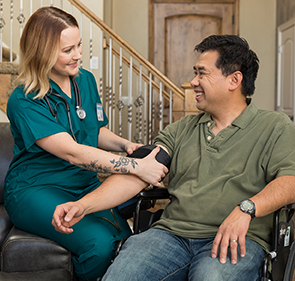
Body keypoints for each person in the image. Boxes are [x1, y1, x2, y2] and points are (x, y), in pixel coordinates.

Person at [52, 34, 295, 280]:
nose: (193, 82)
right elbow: (138, 174)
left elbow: (291, 180)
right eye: (195, 73)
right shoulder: (181, 128)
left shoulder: (274, 126)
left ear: (234, 80)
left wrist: (246, 209)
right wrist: (84, 205)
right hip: (170, 236)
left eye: (202, 74)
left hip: (235, 239)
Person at [4, 6, 168, 281]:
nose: (78, 55)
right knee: (99, 245)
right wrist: (136, 166)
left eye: (79, 45)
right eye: (68, 50)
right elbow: (73, 151)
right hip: (36, 188)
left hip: (83, 182)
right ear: (42, 52)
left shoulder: (85, 80)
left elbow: (94, 129)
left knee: (126, 241)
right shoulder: (24, 99)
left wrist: (126, 144)